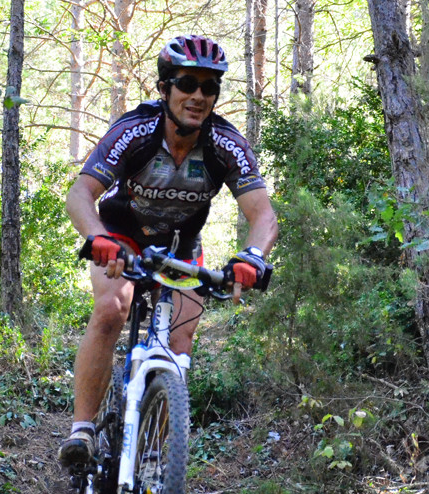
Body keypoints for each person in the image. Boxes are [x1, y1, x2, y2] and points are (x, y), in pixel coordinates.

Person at [59, 33, 278, 470]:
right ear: (165, 89)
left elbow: (264, 215)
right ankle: (82, 431)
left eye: (209, 87)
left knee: (180, 339)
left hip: (182, 247)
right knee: (111, 309)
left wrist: (251, 256)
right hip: (121, 239)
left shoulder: (225, 143)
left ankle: (157, 458)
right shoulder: (136, 131)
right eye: (187, 84)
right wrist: (96, 236)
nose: (198, 96)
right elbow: (81, 193)